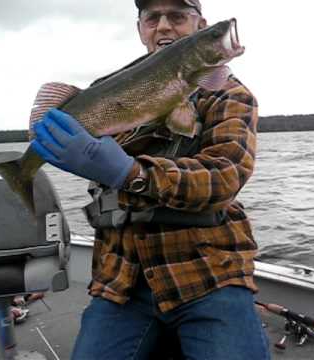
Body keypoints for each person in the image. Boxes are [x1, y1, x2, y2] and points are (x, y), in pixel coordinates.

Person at [31, 0, 271, 359]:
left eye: (176, 16)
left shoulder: (230, 96)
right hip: (121, 279)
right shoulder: (113, 90)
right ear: (140, 28)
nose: (163, 26)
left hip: (208, 272)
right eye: (152, 18)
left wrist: (131, 173)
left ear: (198, 24)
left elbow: (225, 176)